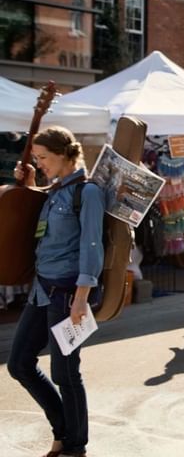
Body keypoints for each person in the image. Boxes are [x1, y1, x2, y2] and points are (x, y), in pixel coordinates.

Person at [8, 127, 105, 457]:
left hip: (67, 295)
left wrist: (81, 298)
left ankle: (74, 447)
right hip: (41, 291)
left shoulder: (88, 192)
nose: (40, 162)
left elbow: (92, 247)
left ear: (65, 155)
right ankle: (63, 430)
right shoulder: (55, 190)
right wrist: (32, 181)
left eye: (44, 157)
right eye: (36, 158)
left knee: (66, 373)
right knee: (19, 363)